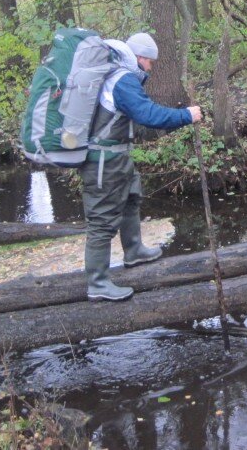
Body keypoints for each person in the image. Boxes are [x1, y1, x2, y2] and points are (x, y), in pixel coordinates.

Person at [83, 32, 202, 301]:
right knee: (101, 222)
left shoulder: (119, 76)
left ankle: (134, 251)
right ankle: (98, 283)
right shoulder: (123, 80)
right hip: (104, 161)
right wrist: (186, 115)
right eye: (150, 62)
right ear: (139, 57)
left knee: (130, 200)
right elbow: (148, 115)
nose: (151, 68)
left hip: (117, 157)